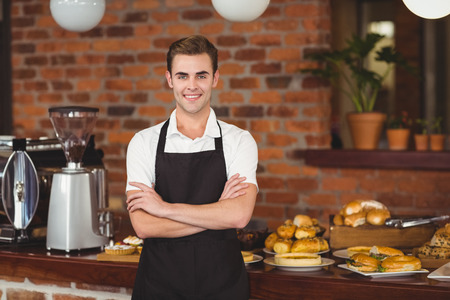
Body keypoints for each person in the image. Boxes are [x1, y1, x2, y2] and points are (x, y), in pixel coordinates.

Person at [126, 35, 258, 300]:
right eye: (183, 76)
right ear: (170, 79)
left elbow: (239, 216)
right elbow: (143, 226)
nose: (192, 85)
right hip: (159, 286)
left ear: (215, 78)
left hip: (224, 286)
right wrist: (217, 212)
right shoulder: (144, 142)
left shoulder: (239, 140)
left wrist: (164, 209)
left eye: (201, 75)